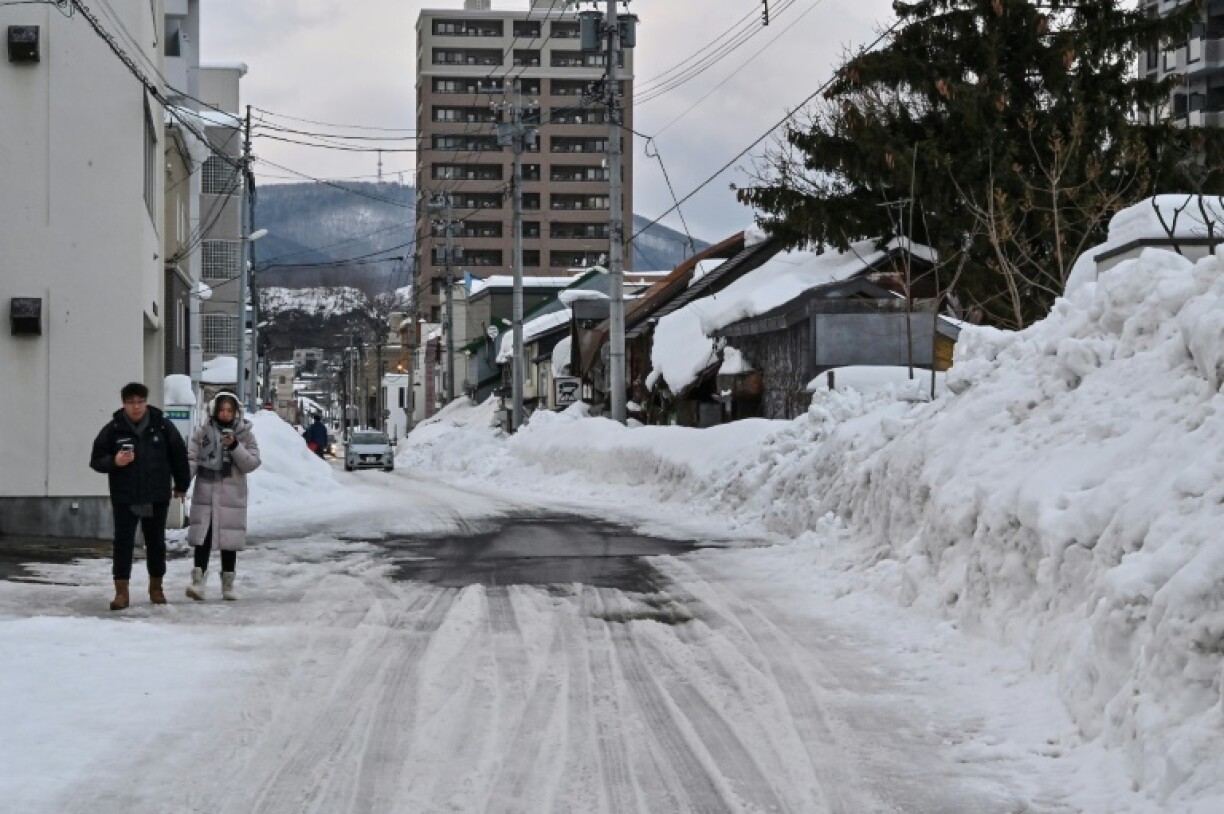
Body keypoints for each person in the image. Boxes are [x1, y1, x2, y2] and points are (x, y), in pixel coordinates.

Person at [89, 382, 190, 611]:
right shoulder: (113, 429)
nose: (136, 407)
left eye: (140, 402)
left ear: (146, 402)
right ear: (123, 404)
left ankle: (156, 588)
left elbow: (179, 455)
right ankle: (121, 592)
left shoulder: (162, 427)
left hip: (156, 495)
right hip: (125, 496)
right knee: (123, 544)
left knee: (156, 543)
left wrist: (182, 484)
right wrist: (114, 461)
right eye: (131, 402)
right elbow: (96, 459)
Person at [185, 392, 261, 601]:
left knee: (229, 540)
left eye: (229, 410)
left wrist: (235, 446)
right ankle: (197, 582)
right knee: (203, 538)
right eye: (221, 410)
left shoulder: (245, 435)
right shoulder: (202, 433)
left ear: (236, 412)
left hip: (231, 495)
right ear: (214, 410)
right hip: (206, 493)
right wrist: (181, 484)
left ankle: (228, 585)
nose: (225, 414)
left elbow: (251, 463)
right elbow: (191, 460)